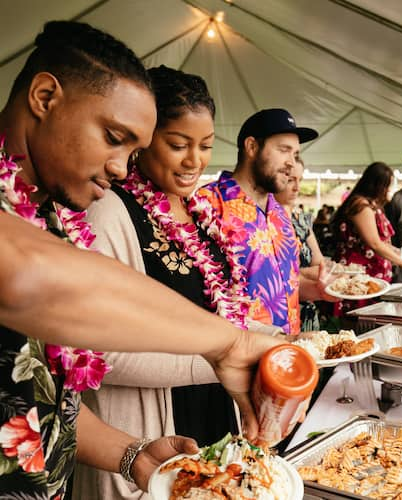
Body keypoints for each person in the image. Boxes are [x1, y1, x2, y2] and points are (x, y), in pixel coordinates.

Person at [0, 21, 284, 497]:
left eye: (132, 150)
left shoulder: (49, 213)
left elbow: (34, 396)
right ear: (45, 96)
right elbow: (29, 277)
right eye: (114, 137)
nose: (119, 167)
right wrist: (228, 345)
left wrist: (130, 454)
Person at [73, 66, 281, 499]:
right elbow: (97, 352)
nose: (194, 161)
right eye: (177, 144)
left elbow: (223, 319)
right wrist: (222, 359)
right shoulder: (110, 211)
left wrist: (276, 340)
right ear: (144, 138)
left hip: (210, 415)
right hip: (147, 431)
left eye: (205, 146)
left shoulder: (200, 215)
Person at [197, 108, 331, 335]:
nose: (291, 163)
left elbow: (286, 285)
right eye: (284, 150)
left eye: (295, 154)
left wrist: (319, 290)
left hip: (289, 355)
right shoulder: (207, 206)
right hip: (235, 360)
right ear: (251, 147)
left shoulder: (280, 214)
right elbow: (196, 300)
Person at [331, 162, 402, 314]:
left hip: (372, 275)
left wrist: (399, 253)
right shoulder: (361, 205)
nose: (388, 190)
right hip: (360, 275)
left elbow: (381, 241)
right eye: (386, 185)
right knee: (358, 320)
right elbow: (374, 243)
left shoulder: (369, 204)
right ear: (377, 184)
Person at [276, 157, 325, 331]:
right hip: (280, 313)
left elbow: (319, 262)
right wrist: (310, 272)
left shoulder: (301, 219)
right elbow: (275, 275)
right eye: (291, 180)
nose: (297, 187)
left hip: (307, 309)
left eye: (300, 180)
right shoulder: (263, 220)